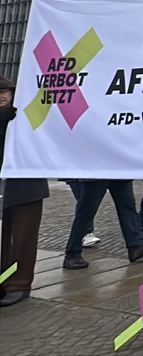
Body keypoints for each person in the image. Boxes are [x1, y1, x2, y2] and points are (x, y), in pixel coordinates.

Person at [0, 75, 49, 307]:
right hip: (4, 183)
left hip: (25, 182)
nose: (1, 96)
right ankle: (4, 281)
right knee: (5, 239)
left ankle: (19, 283)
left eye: (5, 92)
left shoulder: (27, 112)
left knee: (23, 236)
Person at [63, 179, 143, 270]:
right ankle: (72, 253)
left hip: (118, 172)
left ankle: (136, 245)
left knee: (128, 207)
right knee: (86, 212)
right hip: (100, 173)